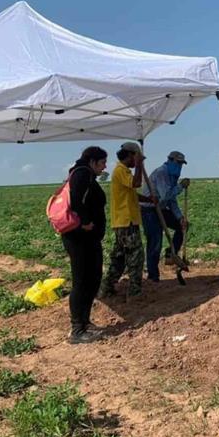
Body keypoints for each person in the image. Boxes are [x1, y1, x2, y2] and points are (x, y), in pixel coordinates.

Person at [62, 146, 108, 344]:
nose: (105, 166)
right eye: (102, 162)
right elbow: (75, 202)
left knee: (93, 278)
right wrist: (86, 222)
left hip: (88, 238)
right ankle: (77, 330)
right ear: (92, 161)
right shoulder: (82, 174)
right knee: (81, 281)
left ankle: (85, 322)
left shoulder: (84, 174)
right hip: (79, 238)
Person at [100, 141, 149, 298]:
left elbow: (131, 193)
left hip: (123, 222)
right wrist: (140, 165)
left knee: (119, 257)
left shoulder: (122, 171)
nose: (136, 162)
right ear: (130, 156)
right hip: (127, 222)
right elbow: (136, 183)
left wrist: (149, 199)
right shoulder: (122, 170)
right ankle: (135, 291)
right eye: (136, 159)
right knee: (136, 256)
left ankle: (107, 287)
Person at [140, 151, 191, 282]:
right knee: (155, 242)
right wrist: (180, 186)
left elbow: (171, 201)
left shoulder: (172, 176)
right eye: (178, 163)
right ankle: (153, 276)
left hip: (161, 209)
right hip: (149, 210)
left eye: (181, 164)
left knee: (182, 226)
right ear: (170, 160)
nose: (179, 166)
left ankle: (170, 253)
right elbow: (166, 195)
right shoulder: (162, 173)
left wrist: (180, 217)